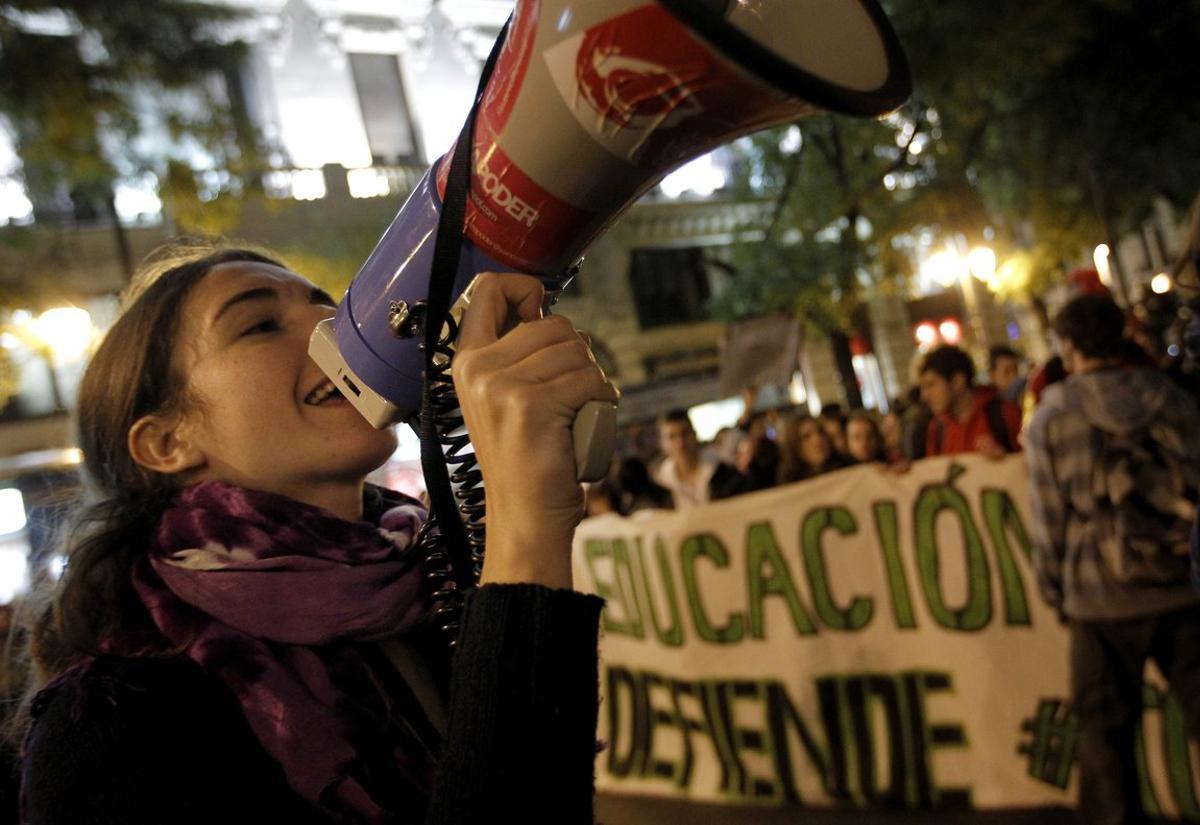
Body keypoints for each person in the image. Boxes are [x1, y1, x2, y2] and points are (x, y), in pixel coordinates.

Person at [9, 246, 618, 824]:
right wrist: (525, 518)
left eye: (330, 303)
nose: (334, 328)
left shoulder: (430, 593)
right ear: (167, 444)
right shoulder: (110, 723)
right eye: (260, 326)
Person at [1025, 293, 1200, 825]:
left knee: (1105, 741)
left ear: (1068, 345)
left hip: (1098, 597)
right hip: (1180, 587)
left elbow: (1049, 517)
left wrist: (1054, 588)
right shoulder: (1169, 398)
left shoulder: (1051, 415)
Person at [918, 345, 1021, 458]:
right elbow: (935, 472)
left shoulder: (1004, 414)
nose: (925, 396)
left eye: (931, 385)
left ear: (957, 381)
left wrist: (1005, 458)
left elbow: (1033, 462)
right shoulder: (937, 430)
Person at [651, 409, 736, 509]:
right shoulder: (662, 481)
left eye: (684, 433)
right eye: (672, 437)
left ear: (694, 434)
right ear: (663, 443)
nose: (680, 443)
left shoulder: (720, 468)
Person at [777, 414, 847, 484]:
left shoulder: (846, 466)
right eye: (806, 436)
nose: (817, 439)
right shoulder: (789, 482)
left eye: (820, 432)